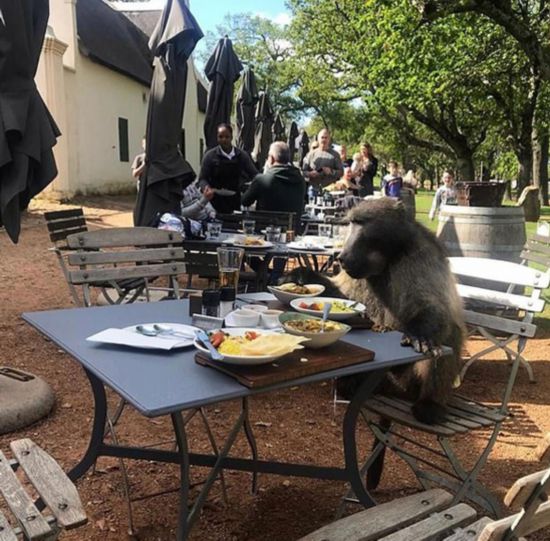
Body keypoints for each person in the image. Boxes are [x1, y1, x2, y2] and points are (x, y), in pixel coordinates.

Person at [198, 123, 258, 214]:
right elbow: (202, 178)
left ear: (231, 137)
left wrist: (251, 191)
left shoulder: (241, 155)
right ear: (217, 138)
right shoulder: (210, 156)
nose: (224, 140)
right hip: (214, 201)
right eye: (220, 137)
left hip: (235, 200)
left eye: (227, 137)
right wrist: (206, 188)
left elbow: (254, 174)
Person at [242, 142, 306, 219]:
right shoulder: (300, 180)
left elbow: (245, 201)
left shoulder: (261, 180)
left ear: (271, 158)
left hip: (265, 228)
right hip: (292, 229)